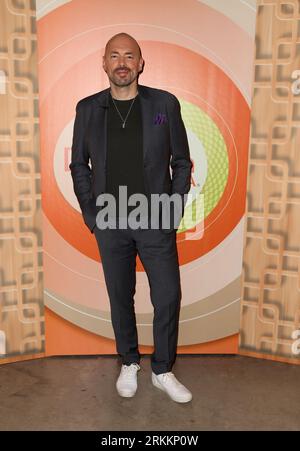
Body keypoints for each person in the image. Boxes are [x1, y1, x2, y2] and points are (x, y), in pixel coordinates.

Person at [69, 32, 193, 403]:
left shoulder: (163, 105)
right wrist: (92, 212)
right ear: (104, 63)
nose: (122, 63)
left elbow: (181, 161)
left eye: (129, 56)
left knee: (168, 295)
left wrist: (172, 209)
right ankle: (129, 361)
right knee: (120, 296)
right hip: (109, 219)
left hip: (156, 217)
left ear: (140, 63)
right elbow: (79, 164)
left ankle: (162, 369)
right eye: (114, 56)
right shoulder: (87, 109)